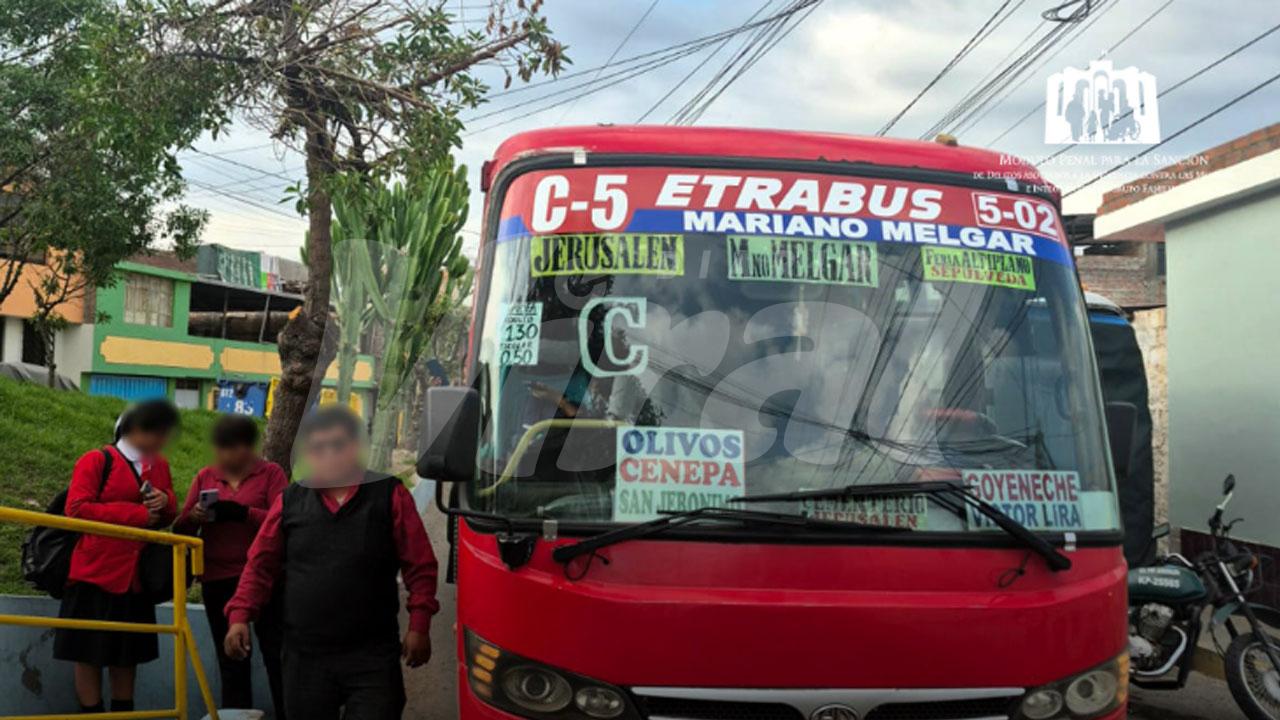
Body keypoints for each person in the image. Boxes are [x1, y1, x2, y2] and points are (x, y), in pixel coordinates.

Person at [223, 406, 438, 720]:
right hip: (304, 657)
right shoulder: (290, 500)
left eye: (337, 445)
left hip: (371, 656)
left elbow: (420, 566)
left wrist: (419, 625)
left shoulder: (389, 495)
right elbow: (260, 566)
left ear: (356, 448)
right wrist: (239, 615)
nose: (327, 454)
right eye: (317, 447)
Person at [54, 399, 180, 715]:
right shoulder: (96, 460)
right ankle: (91, 711)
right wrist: (137, 514)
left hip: (136, 578)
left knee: (127, 654)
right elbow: (76, 508)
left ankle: (124, 710)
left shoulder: (159, 465)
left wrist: (164, 502)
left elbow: (167, 513)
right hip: (94, 574)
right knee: (88, 652)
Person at [174, 415, 288, 717]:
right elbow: (180, 528)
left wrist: (242, 513)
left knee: (277, 654)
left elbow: (284, 522)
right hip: (218, 578)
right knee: (232, 658)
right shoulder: (206, 477)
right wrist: (195, 517)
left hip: (266, 577)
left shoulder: (271, 474)